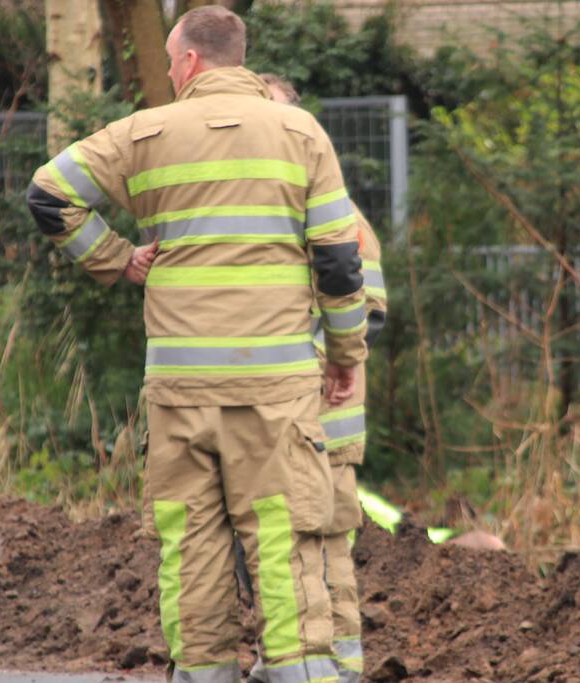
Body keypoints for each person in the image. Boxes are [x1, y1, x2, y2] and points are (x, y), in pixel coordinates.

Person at [25, 7, 368, 683]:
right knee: (281, 536)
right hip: (274, 390)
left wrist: (118, 258)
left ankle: (203, 672)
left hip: (180, 390)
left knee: (191, 544)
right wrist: (346, 354)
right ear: (237, 59)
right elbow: (337, 260)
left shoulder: (145, 132)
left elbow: (48, 194)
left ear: (186, 61)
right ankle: (297, 671)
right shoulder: (301, 132)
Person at [247, 74, 388, 683]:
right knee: (281, 548)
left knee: (324, 544)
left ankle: (332, 667)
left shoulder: (334, 213)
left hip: (319, 421)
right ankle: (291, 661)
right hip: (278, 415)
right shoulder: (273, 203)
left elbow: (367, 311)